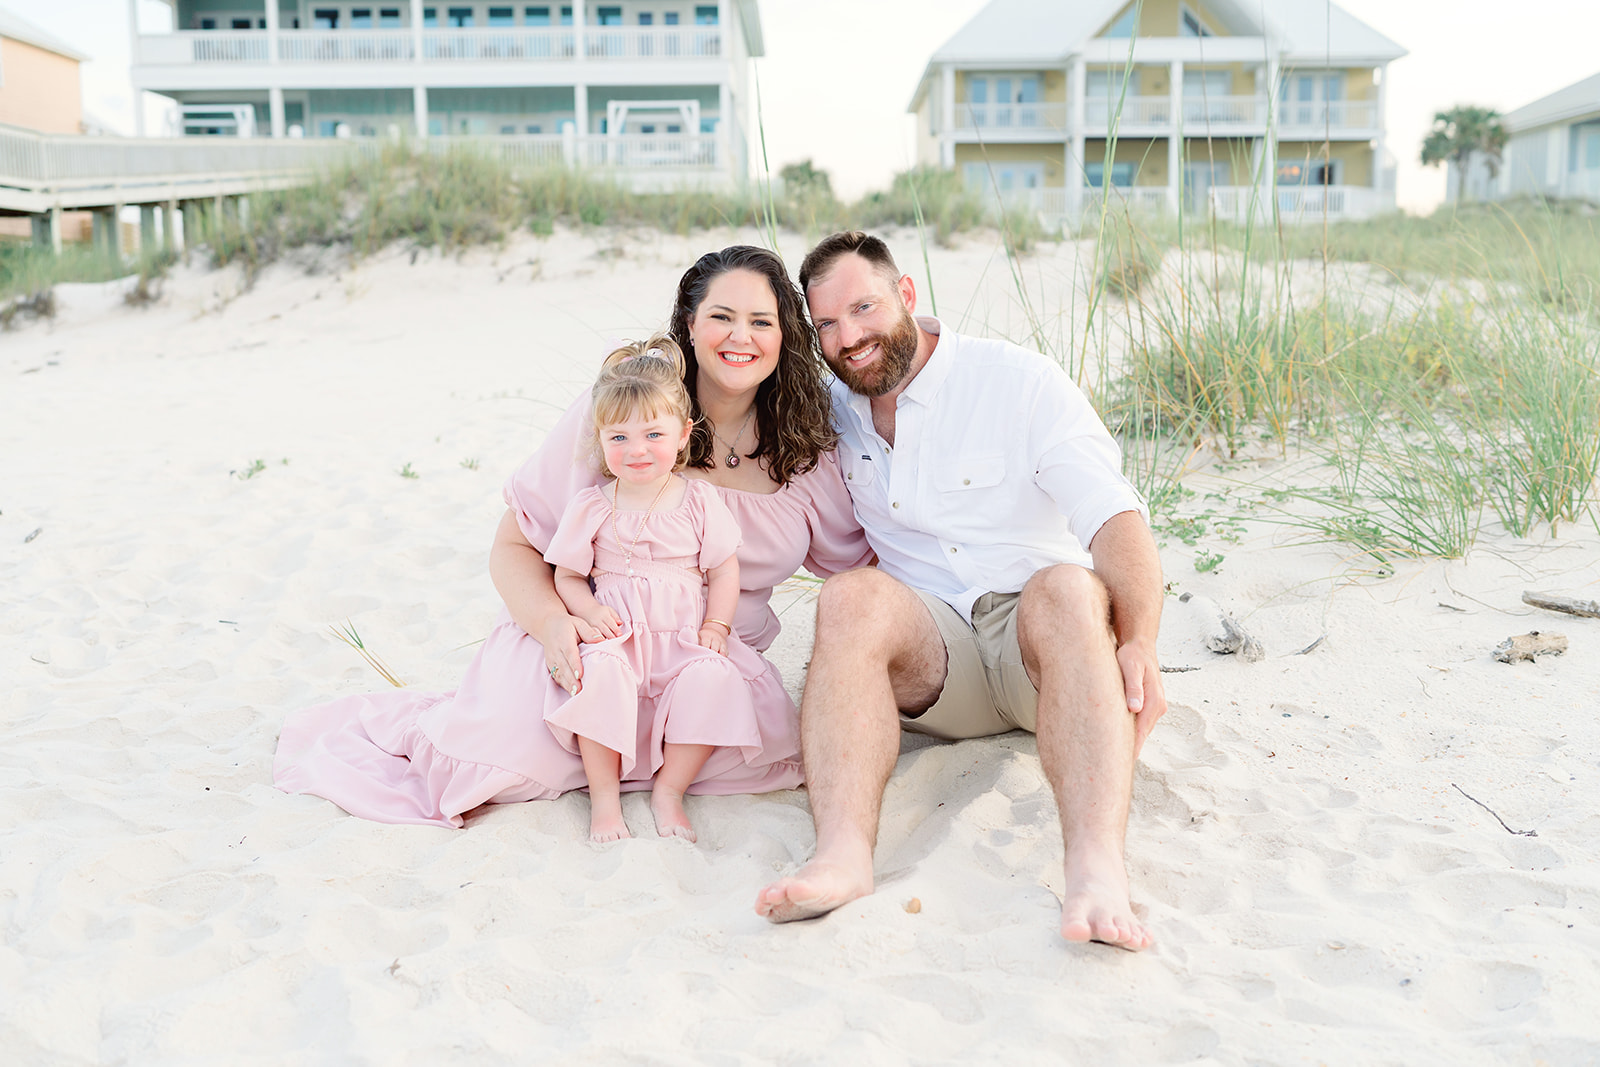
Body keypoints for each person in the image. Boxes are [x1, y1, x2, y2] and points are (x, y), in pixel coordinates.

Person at [273, 246, 873, 828]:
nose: (740, 337)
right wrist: (557, 627)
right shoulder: (622, 415)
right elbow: (513, 547)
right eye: (721, 317)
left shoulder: (806, 444)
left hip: (701, 668)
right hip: (590, 652)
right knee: (488, 773)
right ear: (690, 326)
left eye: (760, 322)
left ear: (784, 337)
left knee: (769, 760)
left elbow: (862, 562)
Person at [754, 232, 1168, 951]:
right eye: (827, 325)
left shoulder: (1016, 381)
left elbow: (1112, 516)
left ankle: (1097, 870)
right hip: (938, 657)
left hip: (1044, 652)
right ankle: (844, 855)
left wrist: (1139, 640)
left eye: (864, 308)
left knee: (1067, 588)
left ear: (907, 295)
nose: (849, 338)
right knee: (851, 596)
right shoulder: (833, 407)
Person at [544, 336, 758, 843]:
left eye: (652, 435)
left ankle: (669, 790)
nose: (636, 450)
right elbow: (567, 575)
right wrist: (587, 610)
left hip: (681, 639)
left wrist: (717, 626)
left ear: (683, 434)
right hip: (618, 637)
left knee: (713, 679)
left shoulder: (698, 499)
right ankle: (605, 801)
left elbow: (724, 570)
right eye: (617, 438)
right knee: (600, 676)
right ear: (599, 441)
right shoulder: (594, 505)